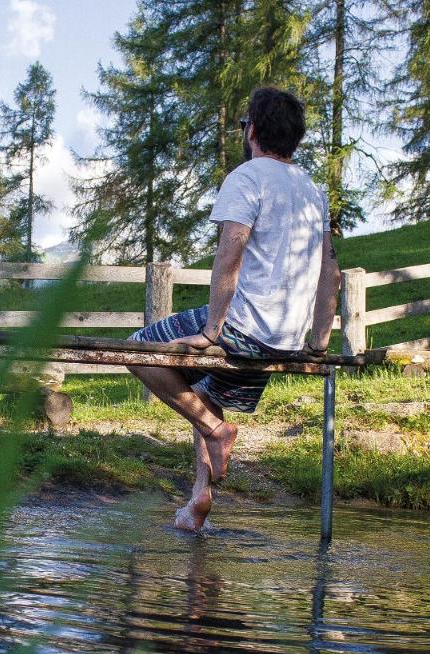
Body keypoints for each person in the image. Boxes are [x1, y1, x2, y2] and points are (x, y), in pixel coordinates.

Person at [127, 86, 341, 532]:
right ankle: (197, 501)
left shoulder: (247, 177)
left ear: (254, 131)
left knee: (137, 349)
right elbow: (330, 273)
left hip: (244, 329)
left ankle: (214, 429)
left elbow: (230, 255)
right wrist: (319, 343)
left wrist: (211, 331)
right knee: (206, 389)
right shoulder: (312, 190)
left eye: (245, 124)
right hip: (286, 340)